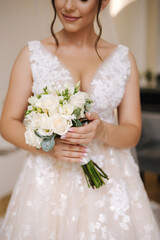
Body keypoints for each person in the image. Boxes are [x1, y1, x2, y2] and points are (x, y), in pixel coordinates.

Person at [0, 0, 159, 239]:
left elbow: (133, 131)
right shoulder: (32, 54)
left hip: (111, 178)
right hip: (47, 180)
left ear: (103, 2)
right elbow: (8, 122)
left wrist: (103, 131)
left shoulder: (124, 59)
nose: (68, 6)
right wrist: (49, 147)